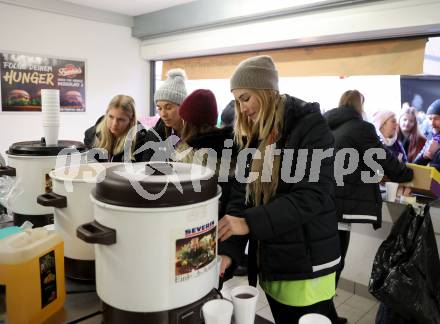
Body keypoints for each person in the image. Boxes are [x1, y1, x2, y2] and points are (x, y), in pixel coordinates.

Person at [218, 55, 340, 324]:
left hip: (307, 265)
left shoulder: (309, 128)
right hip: (273, 262)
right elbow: (242, 195)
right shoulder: (254, 134)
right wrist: (229, 248)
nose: (242, 107)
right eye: (237, 100)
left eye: (246, 97)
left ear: (266, 90)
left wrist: (249, 223)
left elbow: (312, 195)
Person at [323, 90, 413, 324]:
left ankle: (325, 312)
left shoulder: (328, 126)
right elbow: (382, 157)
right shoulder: (360, 127)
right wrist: (407, 173)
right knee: (336, 262)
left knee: (327, 261)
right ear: (359, 105)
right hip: (341, 207)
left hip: (323, 202)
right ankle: (325, 315)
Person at [84, 94, 147, 162]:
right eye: (111, 117)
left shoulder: (141, 140)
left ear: (131, 120)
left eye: (121, 119)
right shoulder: (91, 135)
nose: (114, 124)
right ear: (106, 114)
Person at [144, 68, 187, 162]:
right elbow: (146, 169)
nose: (163, 114)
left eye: (168, 108)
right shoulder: (153, 135)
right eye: (159, 108)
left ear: (182, 107)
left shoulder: (196, 135)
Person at [414, 99, 440, 169]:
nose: (432, 123)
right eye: (430, 118)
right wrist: (425, 156)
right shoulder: (430, 135)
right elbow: (415, 164)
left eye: (436, 119)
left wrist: (431, 165)